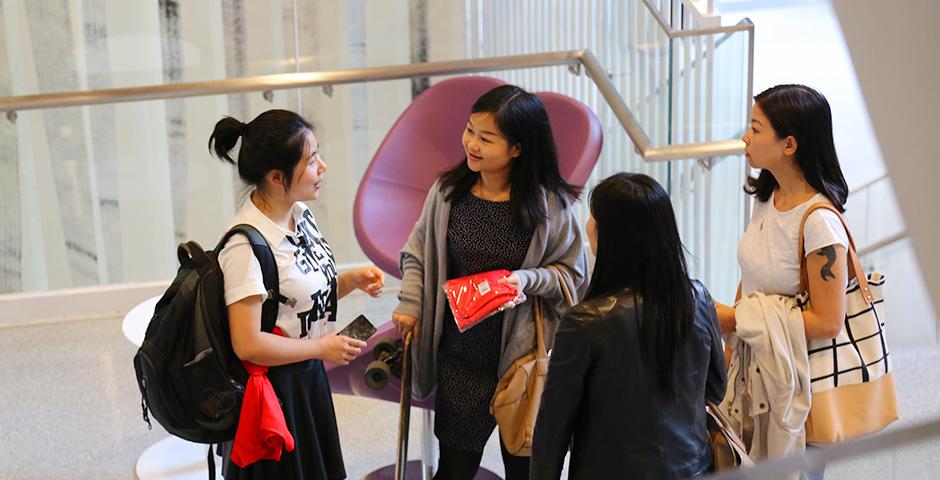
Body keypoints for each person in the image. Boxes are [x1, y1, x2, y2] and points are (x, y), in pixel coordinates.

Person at [391, 85, 588, 480]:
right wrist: (411, 303)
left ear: (518, 148)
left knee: (526, 470)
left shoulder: (548, 206)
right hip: (460, 358)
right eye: (469, 132)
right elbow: (416, 254)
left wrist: (525, 280)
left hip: (522, 364)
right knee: (454, 469)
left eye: (486, 138)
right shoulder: (448, 193)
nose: (471, 145)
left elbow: (573, 277)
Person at [209, 109, 385, 479]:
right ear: (276, 177)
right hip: (273, 395)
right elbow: (248, 344)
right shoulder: (245, 245)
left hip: (307, 381)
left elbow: (292, 300)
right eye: (311, 161)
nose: (323, 167)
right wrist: (321, 348)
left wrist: (349, 282)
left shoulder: (299, 214)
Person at [529, 172, 727, 479]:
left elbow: (552, 431)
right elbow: (715, 387)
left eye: (594, 217)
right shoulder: (697, 298)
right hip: (691, 469)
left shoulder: (585, 322)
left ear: (613, 236)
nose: (588, 224)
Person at [715, 84, 850, 476]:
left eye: (756, 129)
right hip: (756, 378)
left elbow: (828, 320)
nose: (745, 137)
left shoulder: (820, 222)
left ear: (789, 144)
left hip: (798, 387)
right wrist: (729, 349)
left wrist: (733, 320)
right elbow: (752, 280)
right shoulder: (766, 198)